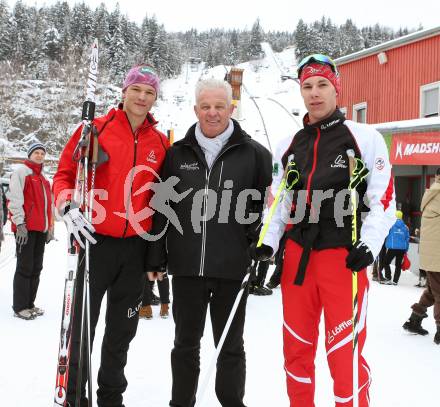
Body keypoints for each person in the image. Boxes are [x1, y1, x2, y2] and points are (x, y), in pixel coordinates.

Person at [253, 54, 395, 406]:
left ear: (336, 89)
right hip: (298, 261)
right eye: (307, 87)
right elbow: (280, 203)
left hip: (343, 259)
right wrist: (266, 245)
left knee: (343, 354)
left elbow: (384, 201)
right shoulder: (288, 144)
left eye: (322, 85)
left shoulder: (365, 138)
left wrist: (369, 245)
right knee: (296, 353)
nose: (314, 93)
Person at [148, 78, 272, 407]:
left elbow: (271, 208)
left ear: (232, 108)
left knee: (230, 345)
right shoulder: (176, 154)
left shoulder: (256, 154)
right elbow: (163, 208)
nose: (213, 113)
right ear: (195, 109)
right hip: (187, 267)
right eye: (206, 106)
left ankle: (232, 402)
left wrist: (260, 247)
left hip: (233, 268)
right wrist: (156, 256)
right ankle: (181, 402)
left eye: (220, 106)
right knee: (185, 344)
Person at [53, 64, 169, 407]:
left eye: (149, 92)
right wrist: (67, 206)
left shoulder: (160, 143)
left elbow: (161, 201)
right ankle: (75, 395)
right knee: (82, 330)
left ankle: (111, 398)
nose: (142, 97)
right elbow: (62, 176)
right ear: (124, 90)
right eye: (136, 89)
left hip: (134, 249)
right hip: (94, 243)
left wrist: (155, 255)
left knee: (122, 332)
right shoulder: (95, 130)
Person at [7, 142, 54, 320]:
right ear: (30, 155)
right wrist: (19, 223)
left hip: (40, 231)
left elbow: (47, 206)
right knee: (24, 268)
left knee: (36, 268)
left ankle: (30, 304)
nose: (40, 155)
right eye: (37, 152)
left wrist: (49, 227)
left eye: (42, 153)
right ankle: (20, 307)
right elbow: (14, 199)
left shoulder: (43, 178)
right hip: (25, 229)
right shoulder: (22, 172)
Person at [403, 168, 440, 345]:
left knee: (433, 291)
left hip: (432, 254)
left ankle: (414, 320)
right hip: (437, 255)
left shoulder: (433, 192)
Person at [381, 210, 410, 285]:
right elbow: (407, 239)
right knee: (398, 265)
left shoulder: (391, 225)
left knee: (386, 262)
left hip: (392, 248)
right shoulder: (406, 227)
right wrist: (406, 249)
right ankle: (395, 281)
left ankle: (388, 278)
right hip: (401, 249)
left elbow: (385, 234)